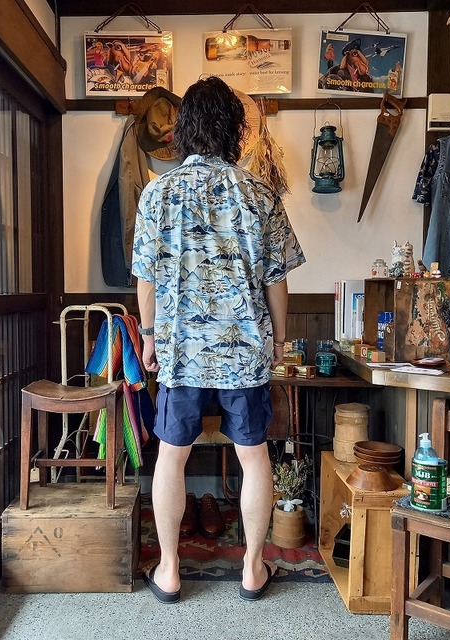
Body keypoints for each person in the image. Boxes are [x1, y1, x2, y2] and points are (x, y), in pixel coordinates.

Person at [131, 76, 305, 604]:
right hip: (245, 349)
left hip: (182, 350)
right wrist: (279, 341)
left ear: (183, 130)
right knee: (254, 456)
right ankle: (252, 569)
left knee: (171, 456)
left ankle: (169, 571)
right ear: (235, 130)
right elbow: (277, 280)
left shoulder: (157, 194)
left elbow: (146, 279)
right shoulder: (260, 194)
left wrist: (151, 338)